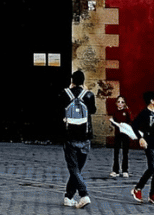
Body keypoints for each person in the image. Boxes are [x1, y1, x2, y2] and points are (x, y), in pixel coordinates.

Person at [59, 70, 96, 209]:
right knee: (77, 169)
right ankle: (68, 197)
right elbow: (92, 110)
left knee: (74, 169)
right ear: (83, 81)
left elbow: (58, 110)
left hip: (69, 137)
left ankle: (83, 194)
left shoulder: (64, 94)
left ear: (72, 80)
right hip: (85, 138)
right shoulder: (89, 95)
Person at [131, 91, 154, 206]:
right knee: (152, 167)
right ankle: (138, 188)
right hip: (148, 143)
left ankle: (153, 194)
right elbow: (134, 126)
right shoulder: (144, 113)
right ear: (151, 101)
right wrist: (140, 138)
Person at [109, 95, 132, 178]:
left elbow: (130, 121)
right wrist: (113, 122)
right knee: (116, 153)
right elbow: (114, 122)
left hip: (125, 134)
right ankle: (115, 170)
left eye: (122, 102)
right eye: (118, 102)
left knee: (125, 153)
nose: (120, 104)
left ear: (124, 103)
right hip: (117, 134)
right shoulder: (115, 112)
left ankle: (125, 170)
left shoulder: (127, 111)